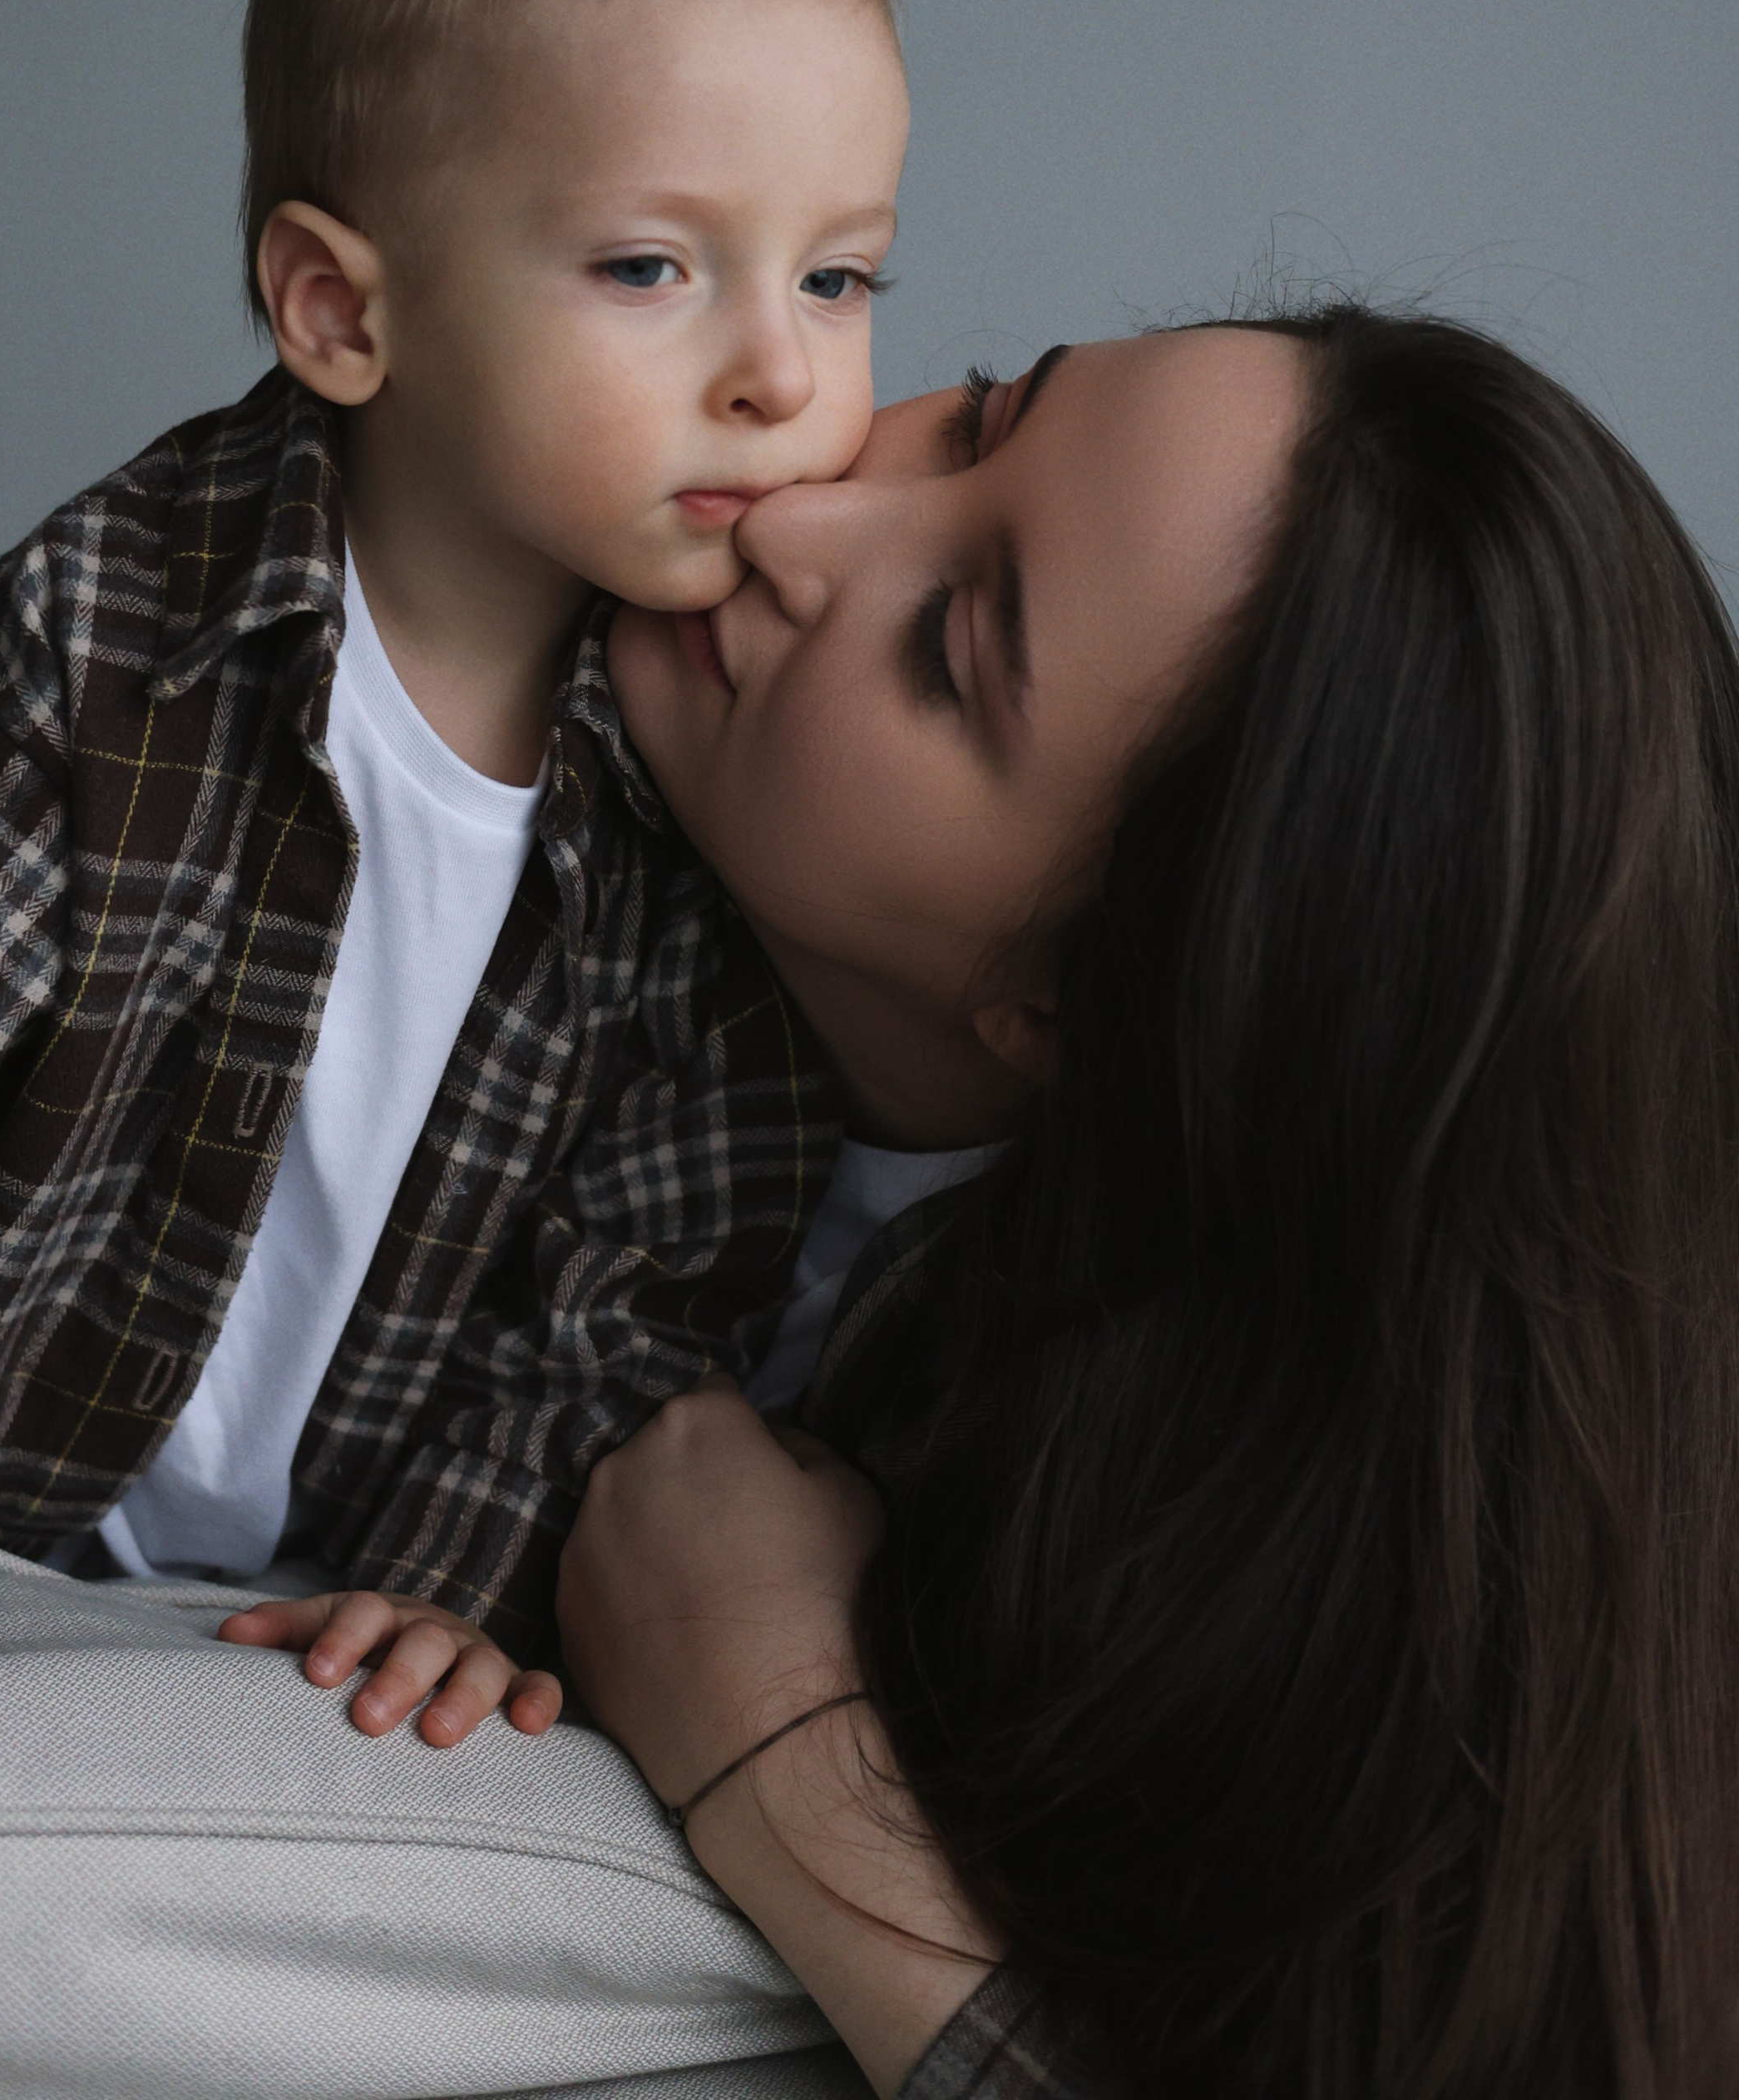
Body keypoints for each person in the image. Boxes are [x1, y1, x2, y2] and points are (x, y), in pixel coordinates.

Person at [0, 0, 907, 1805]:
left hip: (321, 1594)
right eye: (653, 267)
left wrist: (461, 1576)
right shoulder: (106, 640)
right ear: (340, 308)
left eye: (838, 276)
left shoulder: (698, 748)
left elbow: (647, 1260)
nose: (782, 370)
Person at [562, 306, 1739, 2100]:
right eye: (975, 423)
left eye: (948, 655)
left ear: (1073, 1010)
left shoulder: (1252, 1659)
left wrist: (777, 1749)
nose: (797, 530)